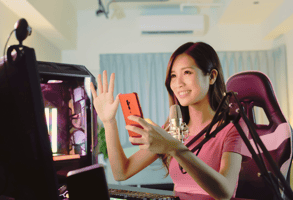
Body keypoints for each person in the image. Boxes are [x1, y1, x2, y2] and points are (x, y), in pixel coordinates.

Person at [90, 42, 251, 200]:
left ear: (212, 76)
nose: (178, 83)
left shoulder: (231, 128)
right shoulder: (171, 130)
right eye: (173, 76)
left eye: (187, 72)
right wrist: (109, 121)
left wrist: (176, 148)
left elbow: (225, 192)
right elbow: (121, 172)